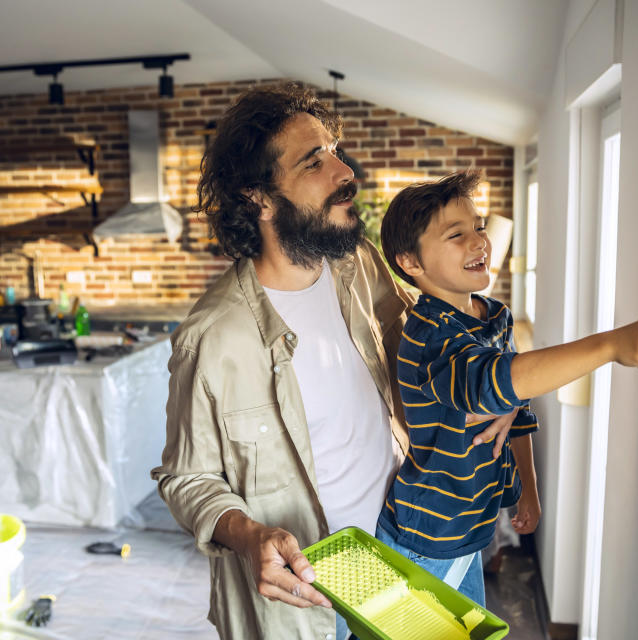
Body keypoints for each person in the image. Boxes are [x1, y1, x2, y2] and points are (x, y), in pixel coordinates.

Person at [151, 84, 521, 640]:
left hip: (406, 550)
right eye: (314, 161)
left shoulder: (357, 262)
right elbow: (188, 478)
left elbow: (429, 349)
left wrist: (491, 395)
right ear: (260, 198)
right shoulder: (213, 338)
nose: (345, 172)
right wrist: (248, 534)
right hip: (309, 599)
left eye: (335, 152)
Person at [374, 171, 638, 606]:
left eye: (479, 227)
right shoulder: (429, 336)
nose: (479, 242)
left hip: (472, 527)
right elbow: (495, 384)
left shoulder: (495, 316)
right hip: (428, 535)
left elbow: (515, 406)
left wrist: (529, 488)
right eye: (456, 234)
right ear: (411, 263)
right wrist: (614, 344)